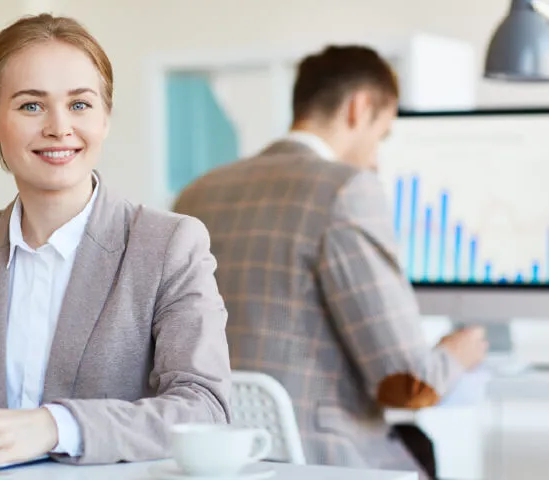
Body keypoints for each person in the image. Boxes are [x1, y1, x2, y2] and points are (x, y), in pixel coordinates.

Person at [0, 13, 231, 471]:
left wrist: (56, 425)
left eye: (80, 104)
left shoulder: (169, 245)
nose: (60, 128)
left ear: (105, 118)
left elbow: (205, 408)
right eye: (31, 106)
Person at [173, 45, 487, 479]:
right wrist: (459, 353)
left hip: (222, 458)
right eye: (383, 134)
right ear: (359, 108)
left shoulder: (197, 193)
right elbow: (408, 383)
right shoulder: (346, 190)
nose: (377, 158)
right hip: (325, 459)